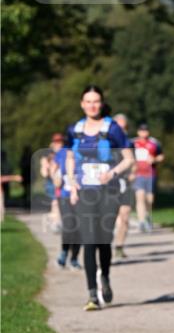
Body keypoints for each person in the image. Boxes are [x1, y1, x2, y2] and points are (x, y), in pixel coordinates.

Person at [65, 86, 134, 310]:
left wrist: (112, 173)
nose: (92, 105)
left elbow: (128, 158)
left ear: (102, 104)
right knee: (88, 240)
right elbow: (69, 158)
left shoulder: (112, 129)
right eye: (88, 101)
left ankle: (105, 276)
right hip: (85, 191)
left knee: (103, 240)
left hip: (109, 191)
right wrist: (72, 183)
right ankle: (92, 294)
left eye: (96, 101)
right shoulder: (74, 130)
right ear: (82, 104)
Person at [49, 132, 82, 269]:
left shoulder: (87, 153)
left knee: (79, 229)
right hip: (65, 194)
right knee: (69, 226)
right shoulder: (62, 153)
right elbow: (53, 168)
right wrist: (54, 177)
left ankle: (74, 258)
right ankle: (64, 252)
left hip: (82, 196)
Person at [132, 122, 164, 232]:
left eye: (145, 130)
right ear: (138, 131)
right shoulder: (133, 143)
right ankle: (141, 221)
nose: (143, 133)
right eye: (141, 130)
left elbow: (161, 156)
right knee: (139, 196)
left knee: (149, 199)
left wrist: (154, 159)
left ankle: (147, 216)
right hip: (138, 174)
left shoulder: (154, 143)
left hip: (150, 174)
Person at [112, 114, 134, 260]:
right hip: (109, 184)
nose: (121, 130)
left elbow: (134, 161)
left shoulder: (129, 143)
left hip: (124, 183)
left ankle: (119, 247)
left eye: (124, 127)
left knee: (125, 216)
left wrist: (133, 173)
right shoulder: (107, 142)